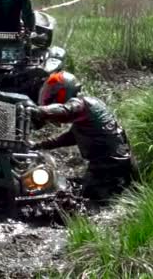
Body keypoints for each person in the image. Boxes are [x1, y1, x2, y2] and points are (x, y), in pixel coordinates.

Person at [27, 71, 138, 201]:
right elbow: (69, 138)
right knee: (69, 189)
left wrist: (38, 111)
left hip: (111, 170)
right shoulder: (88, 111)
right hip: (113, 167)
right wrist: (38, 146)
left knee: (70, 197)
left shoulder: (82, 104)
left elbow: (65, 110)